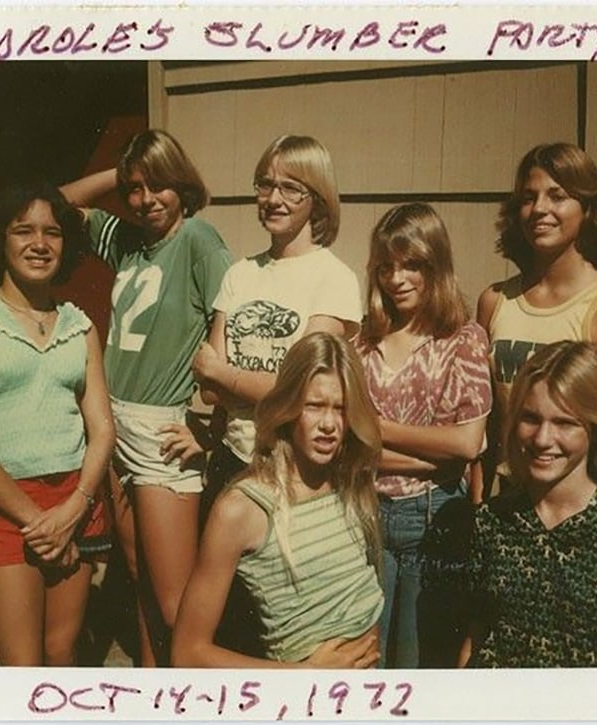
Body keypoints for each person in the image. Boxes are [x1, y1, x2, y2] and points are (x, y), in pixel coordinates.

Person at [60, 129, 233, 665]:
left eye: (158, 185)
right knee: (137, 575)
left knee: (175, 598)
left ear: (182, 184)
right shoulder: (128, 240)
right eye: (134, 189)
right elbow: (61, 204)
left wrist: (211, 427)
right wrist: (124, 169)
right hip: (113, 425)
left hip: (161, 430)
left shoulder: (199, 240)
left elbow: (232, 333)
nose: (145, 199)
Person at [191, 135, 362, 654]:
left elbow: (306, 389)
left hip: (296, 475)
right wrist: (246, 384)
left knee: (289, 628)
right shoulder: (240, 274)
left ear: (318, 199)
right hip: (232, 462)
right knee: (231, 624)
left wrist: (231, 377)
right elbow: (206, 382)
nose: (274, 198)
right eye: (265, 184)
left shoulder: (332, 278)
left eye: (291, 187)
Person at [0, 182, 115, 666]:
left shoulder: (79, 326)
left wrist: (73, 508)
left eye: (52, 232)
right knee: (21, 666)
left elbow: (102, 429)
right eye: (23, 230)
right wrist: (36, 519)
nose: (39, 243)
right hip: (9, 513)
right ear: (1, 240)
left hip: (77, 503)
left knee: (61, 652)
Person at [172, 333, 383, 668]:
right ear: (288, 407)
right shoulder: (243, 508)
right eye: (314, 406)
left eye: (341, 409)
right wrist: (305, 676)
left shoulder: (348, 481)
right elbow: (188, 653)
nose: (329, 424)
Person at [461, 340, 597, 668]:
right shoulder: (492, 521)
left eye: (564, 423)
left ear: (596, 426)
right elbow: (475, 644)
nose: (543, 439)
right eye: (531, 418)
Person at [475, 143, 597, 508]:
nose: (539, 209)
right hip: (511, 508)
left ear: (588, 208)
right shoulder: (495, 303)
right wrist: (478, 507)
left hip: (583, 508)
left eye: (557, 196)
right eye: (529, 197)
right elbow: (487, 424)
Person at [356, 202, 492, 668]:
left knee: (417, 658)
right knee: (367, 654)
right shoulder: (363, 342)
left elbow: (467, 444)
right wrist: (427, 454)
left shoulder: (462, 338)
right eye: (386, 267)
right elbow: (351, 450)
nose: (397, 279)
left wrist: (380, 431)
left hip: (433, 516)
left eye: (411, 265)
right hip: (366, 512)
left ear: (436, 265)